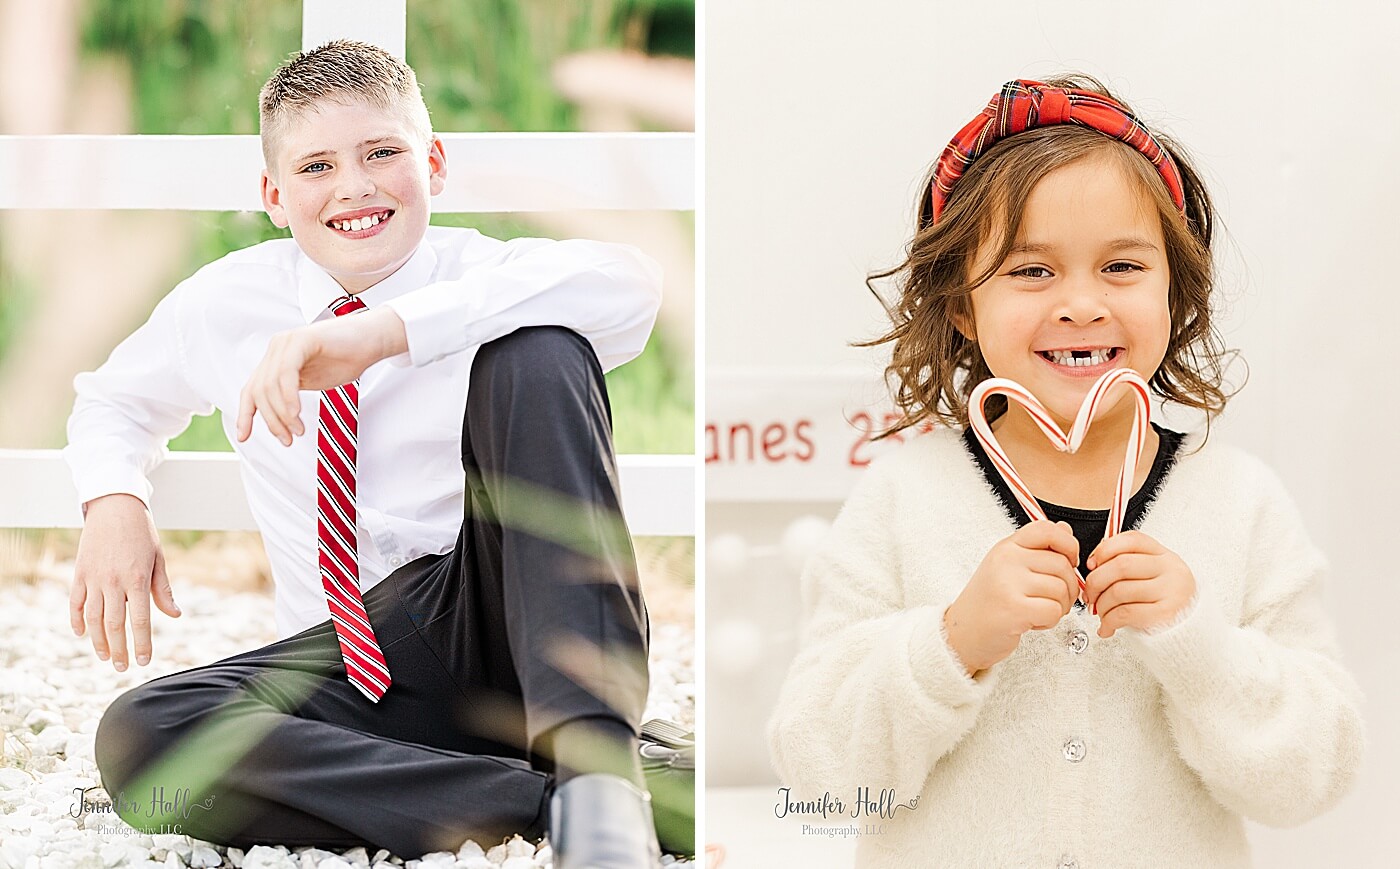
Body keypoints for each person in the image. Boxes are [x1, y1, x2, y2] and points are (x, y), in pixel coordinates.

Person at [65, 39, 670, 868]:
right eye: (317, 166)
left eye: (382, 152)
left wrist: (386, 335)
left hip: (508, 622)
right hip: (350, 673)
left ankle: (596, 772)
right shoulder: (227, 303)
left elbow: (632, 284)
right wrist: (114, 502)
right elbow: (112, 400)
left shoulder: (487, 276)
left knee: (537, 348)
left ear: (435, 163)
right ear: (275, 195)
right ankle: (556, 799)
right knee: (146, 741)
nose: (354, 186)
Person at [767, 76, 1365, 868]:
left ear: (1175, 291)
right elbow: (819, 776)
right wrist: (952, 642)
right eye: (1031, 271)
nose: (1081, 304)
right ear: (958, 306)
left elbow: (1313, 778)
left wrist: (1201, 647)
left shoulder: (1241, 500)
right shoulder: (904, 495)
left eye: (1121, 267)